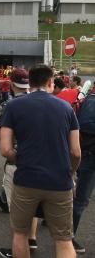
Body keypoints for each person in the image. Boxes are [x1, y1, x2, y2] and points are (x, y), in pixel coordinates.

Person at [0, 65, 81, 258]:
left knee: (20, 233)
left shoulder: (13, 106)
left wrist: (22, 159)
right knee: (63, 239)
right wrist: (71, 172)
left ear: (31, 83)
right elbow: (76, 152)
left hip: (26, 178)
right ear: (50, 83)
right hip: (59, 181)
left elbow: (5, 149)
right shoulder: (66, 108)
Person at [0, 68, 38, 257]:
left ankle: (19, 249)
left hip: (18, 163)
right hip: (40, 163)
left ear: (12, 84)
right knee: (33, 206)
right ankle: (32, 239)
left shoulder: (11, 105)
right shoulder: (46, 102)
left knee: (17, 212)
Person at [72, 89, 95, 254]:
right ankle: (68, 236)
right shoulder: (92, 101)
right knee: (81, 199)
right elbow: (84, 124)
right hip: (90, 156)